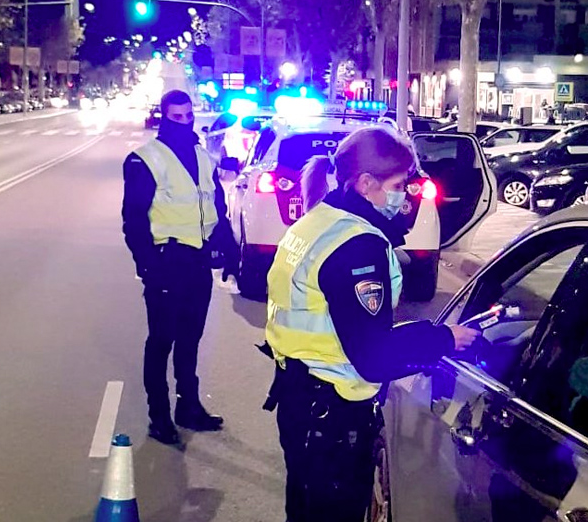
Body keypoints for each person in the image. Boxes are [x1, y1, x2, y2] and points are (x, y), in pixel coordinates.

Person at [261, 126, 480, 522]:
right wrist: (443, 339)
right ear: (366, 183)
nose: (405, 195)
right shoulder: (359, 245)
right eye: (398, 184)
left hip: (301, 401)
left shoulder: (321, 220)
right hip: (331, 416)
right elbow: (374, 358)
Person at [122, 89, 240, 446]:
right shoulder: (144, 160)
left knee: (190, 341)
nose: (185, 122)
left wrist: (230, 251)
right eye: (177, 117)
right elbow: (134, 220)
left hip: (197, 263)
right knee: (161, 342)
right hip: (166, 262)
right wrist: (147, 266)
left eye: (189, 116)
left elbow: (215, 207)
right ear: (163, 117)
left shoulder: (203, 158)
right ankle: (159, 417)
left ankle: (188, 406)